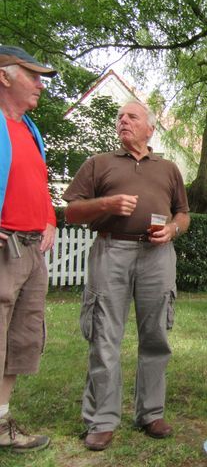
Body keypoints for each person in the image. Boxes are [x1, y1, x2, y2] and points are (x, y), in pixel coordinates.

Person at [63, 100, 190, 451]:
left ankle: (151, 412)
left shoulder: (168, 168)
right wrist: (106, 204)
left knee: (156, 336)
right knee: (104, 336)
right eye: (120, 117)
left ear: (150, 128)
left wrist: (173, 231)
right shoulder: (99, 163)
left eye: (132, 117)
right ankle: (102, 420)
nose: (123, 121)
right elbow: (71, 211)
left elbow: (183, 213)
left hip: (157, 255)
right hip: (111, 252)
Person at [0, 45, 57, 453]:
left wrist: (50, 218)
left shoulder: (28, 128)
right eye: (31, 74)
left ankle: (1, 422)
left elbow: (35, 185)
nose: (40, 83)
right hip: (6, 252)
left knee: (21, 341)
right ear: (4, 75)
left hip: (32, 250)